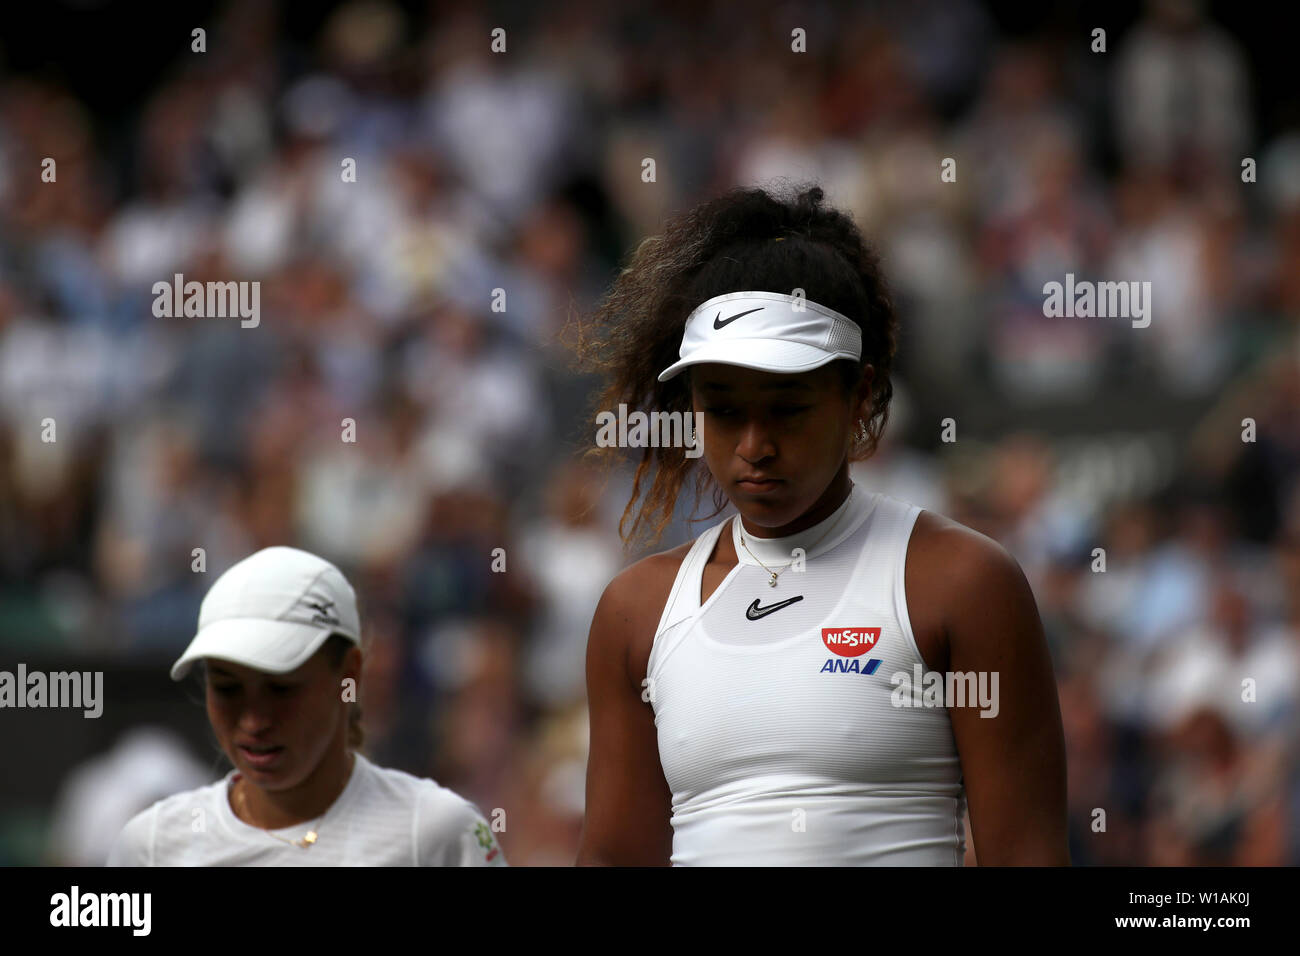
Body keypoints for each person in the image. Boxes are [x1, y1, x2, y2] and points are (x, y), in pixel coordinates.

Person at [575, 183, 1068, 865]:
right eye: (722, 411)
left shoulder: (964, 584)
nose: (754, 446)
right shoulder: (634, 613)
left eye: (787, 409)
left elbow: (1028, 859)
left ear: (858, 396)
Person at [106, 546, 507, 867]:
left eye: (281, 689)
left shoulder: (440, 834)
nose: (253, 721)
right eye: (227, 689)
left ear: (348, 674)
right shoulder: (151, 848)